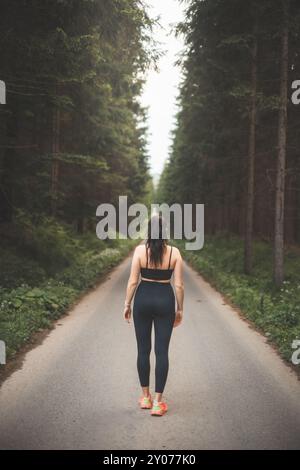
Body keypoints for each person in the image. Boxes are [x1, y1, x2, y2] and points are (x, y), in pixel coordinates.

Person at [123, 215, 184, 416]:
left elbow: (132, 281)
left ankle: (145, 398)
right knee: (162, 352)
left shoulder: (140, 251)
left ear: (149, 231)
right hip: (165, 300)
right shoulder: (175, 253)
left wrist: (127, 303)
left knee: (143, 350)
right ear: (165, 231)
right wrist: (180, 309)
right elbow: (179, 285)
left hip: (143, 299)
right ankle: (158, 403)